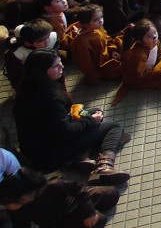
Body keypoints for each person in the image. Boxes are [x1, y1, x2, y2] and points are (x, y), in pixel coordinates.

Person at [14, 49, 131, 184]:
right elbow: (66, 131)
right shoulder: (50, 98)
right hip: (49, 154)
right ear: (41, 72)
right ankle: (104, 166)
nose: (62, 67)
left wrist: (87, 118)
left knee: (95, 111)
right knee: (114, 127)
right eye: (56, 66)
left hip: (37, 148)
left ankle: (80, 158)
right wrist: (90, 120)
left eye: (60, 63)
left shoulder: (27, 88)